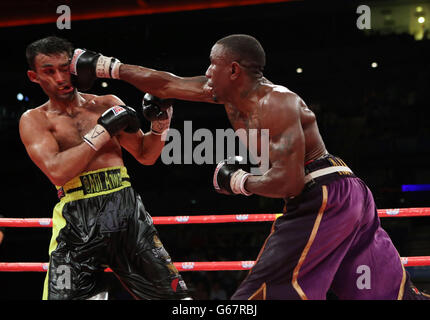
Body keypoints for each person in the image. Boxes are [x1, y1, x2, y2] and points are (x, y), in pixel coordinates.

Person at [70, 34, 429, 300]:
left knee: (260, 297)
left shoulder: (276, 103)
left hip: (323, 194)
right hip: (343, 193)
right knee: (378, 291)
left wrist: (240, 181)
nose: (207, 71)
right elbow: (166, 83)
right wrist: (107, 65)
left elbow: (289, 183)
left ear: (234, 69)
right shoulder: (224, 94)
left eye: (213, 64)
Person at [19, 36, 190, 300]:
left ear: (75, 66)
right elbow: (57, 171)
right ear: (34, 76)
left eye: (65, 68)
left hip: (125, 212)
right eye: (49, 71)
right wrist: (103, 131)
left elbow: (146, 155)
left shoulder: (107, 102)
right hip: (76, 221)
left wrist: (161, 123)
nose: (61, 77)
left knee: (176, 300)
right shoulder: (34, 120)